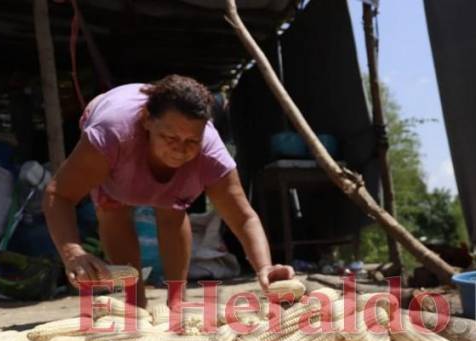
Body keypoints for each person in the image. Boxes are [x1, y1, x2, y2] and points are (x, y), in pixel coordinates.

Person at [43, 74, 293, 307]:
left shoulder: (210, 153)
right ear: (147, 121)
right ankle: (135, 302)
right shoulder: (110, 135)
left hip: (167, 178)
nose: (180, 150)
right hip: (112, 128)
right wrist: (72, 252)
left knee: (172, 211)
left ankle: (177, 302)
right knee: (113, 210)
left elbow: (244, 217)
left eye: (191, 141)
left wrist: (264, 267)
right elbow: (59, 194)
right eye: (170, 138)